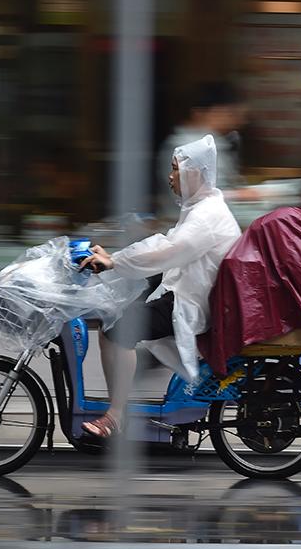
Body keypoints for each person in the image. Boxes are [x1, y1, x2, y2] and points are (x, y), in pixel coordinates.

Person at [78, 134, 241, 438]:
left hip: (191, 304)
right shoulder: (203, 207)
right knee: (122, 310)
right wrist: (115, 259)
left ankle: (115, 416)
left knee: (117, 330)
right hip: (188, 292)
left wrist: (114, 261)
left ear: (195, 173)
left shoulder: (206, 216)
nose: (170, 177)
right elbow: (165, 245)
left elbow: (168, 250)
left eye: (176, 169)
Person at [156, 82, 246, 219]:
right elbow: (199, 197)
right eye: (227, 113)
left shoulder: (215, 142)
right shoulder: (188, 145)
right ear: (200, 113)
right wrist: (244, 194)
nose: (235, 120)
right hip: (189, 223)